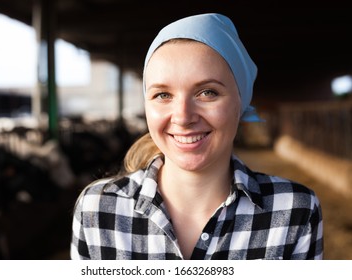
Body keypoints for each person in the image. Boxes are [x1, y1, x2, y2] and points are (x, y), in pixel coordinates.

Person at [71, 13, 323, 260]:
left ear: (241, 102)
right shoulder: (97, 209)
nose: (182, 116)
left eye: (207, 92)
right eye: (163, 95)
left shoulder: (294, 210)